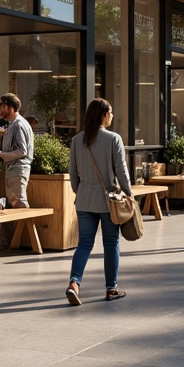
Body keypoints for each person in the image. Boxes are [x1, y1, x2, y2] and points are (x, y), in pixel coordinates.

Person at [65, 98, 130, 305]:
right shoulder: (113, 139)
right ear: (103, 115)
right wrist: (129, 193)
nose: (112, 116)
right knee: (111, 243)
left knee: (84, 243)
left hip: (84, 200)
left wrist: (81, 191)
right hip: (108, 201)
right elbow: (121, 171)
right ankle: (111, 288)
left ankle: (74, 283)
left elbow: (72, 173)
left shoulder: (77, 140)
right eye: (110, 112)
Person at [0, 92, 34, 208]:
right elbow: (7, 131)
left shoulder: (18, 124)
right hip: (14, 170)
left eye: (4, 107)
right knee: (16, 203)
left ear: (12, 108)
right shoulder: (13, 124)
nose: (1, 110)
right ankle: (23, 226)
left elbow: (22, 151)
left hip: (17, 170)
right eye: (1, 106)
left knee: (19, 204)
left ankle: (26, 226)